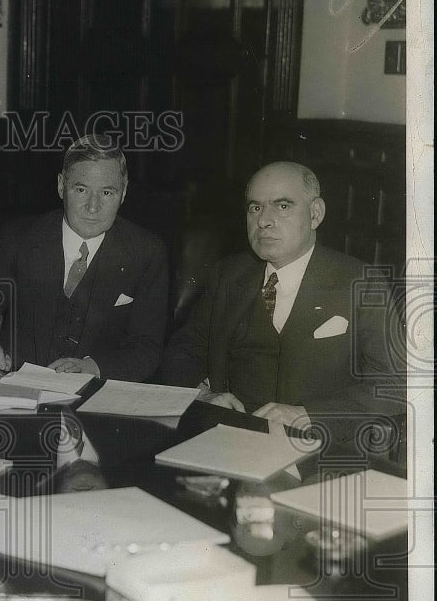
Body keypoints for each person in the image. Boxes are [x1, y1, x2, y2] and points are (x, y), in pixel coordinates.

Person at [160, 161, 405, 445]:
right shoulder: (228, 275)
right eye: (255, 207)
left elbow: (394, 385)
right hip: (229, 439)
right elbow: (182, 350)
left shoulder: (361, 282)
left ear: (315, 214)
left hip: (316, 446)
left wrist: (307, 415)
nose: (264, 220)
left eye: (283, 206)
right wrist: (204, 395)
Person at [0, 136, 168, 381]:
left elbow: (147, 347)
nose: (93, 207)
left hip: (97, 399)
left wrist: (94, 368)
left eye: (107, 192)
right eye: (81, 190)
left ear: (124, 193)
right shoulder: (17, 239)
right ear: (61, 186)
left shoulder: (147, 253)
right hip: (14, 389)